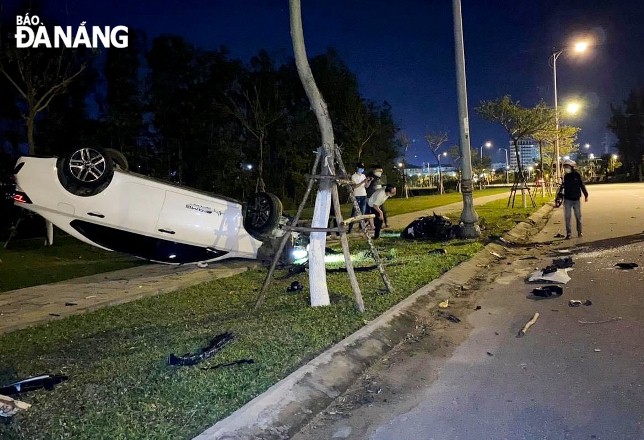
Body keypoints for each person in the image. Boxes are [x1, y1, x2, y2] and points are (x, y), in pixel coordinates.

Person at [557, 159, 589, 239]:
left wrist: (586, 195)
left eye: (567, 167)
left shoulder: (577, 175)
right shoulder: (566, 176)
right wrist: (558, 197)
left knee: (578, 217)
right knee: (567, 217)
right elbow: (563, 187)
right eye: (565, 167)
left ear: (572, 167)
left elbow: (582, 185)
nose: (566, 169)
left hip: (576, 200)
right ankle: (569, 234)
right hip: (567, 200)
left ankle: (579, 231)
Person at [347, 162, 372, 233]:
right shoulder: (353, 176)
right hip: (357, 196)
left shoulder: (363, 175)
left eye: (363, 168)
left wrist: (369, 181)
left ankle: (362, 228)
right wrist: (363, 181)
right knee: (354, 213)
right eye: (360, 168)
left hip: (364, 195)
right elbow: (354, 186)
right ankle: (350, 229)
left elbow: (366, 186)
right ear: (357, 168)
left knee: (362, 213)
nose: (362, 169)